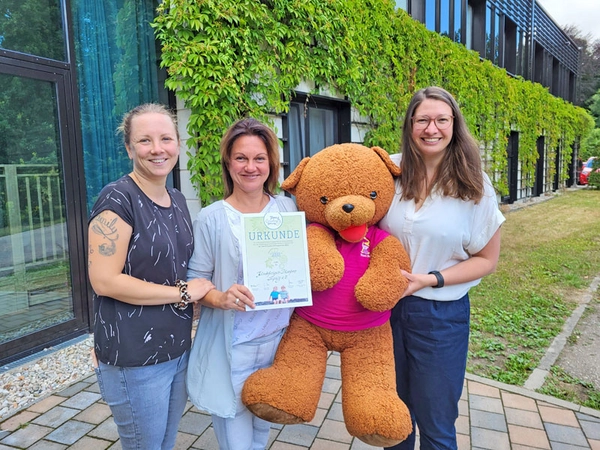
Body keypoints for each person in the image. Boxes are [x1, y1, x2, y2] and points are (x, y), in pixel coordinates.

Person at [379, 86, 505, 450]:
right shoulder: (389, 170)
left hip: (439, 315)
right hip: (384, 311)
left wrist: (430, 279)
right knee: (394, 420)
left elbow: (487, 260)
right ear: (410, 124)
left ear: (454, 124)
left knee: (436, 423)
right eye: (423, 120)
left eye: (441, 120)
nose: (431, 128)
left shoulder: (474, 184)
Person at [87, 103, 215, 450]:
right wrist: (183, 293)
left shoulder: (176, 198)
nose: (157, 149)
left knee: (164, 442)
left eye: (166, 139)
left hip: (176, 348)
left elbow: (176, 265)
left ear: (177, 144)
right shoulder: (117, 199)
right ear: (129, 148)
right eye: (145, 140)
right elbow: (105, 280)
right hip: (134, 357)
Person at [186, 118, 297, 450]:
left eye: (259, 158)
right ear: (228, 163)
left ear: (271, 164)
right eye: (241, 158)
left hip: (277, 342)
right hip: (234, 348)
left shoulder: (287, 208)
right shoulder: (212, 217)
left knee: (261, 433)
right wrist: (220, 298)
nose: (251, 167)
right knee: (237, 443)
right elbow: (196, 280)